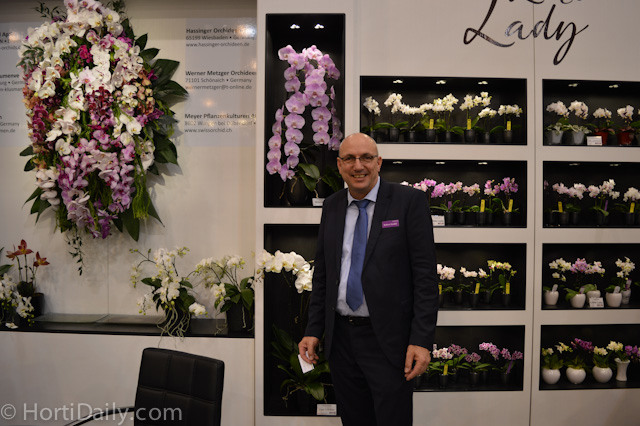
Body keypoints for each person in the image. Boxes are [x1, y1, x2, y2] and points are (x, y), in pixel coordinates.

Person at [299, 132, 439, 426]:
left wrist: (421, 340)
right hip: (342, 341)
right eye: (349, 158)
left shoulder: (408, 202)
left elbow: (425, 278)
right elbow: (323, 274)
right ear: (339, 165)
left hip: (389, 342)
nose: (358, 165)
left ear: (379, 163)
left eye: (366, 158)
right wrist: (313, 330)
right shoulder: (332, 206)